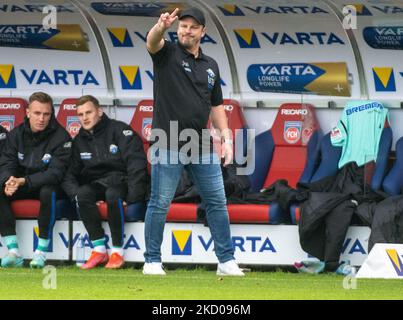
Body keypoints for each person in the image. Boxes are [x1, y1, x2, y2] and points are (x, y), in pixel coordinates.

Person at [143, 7, 244, 276]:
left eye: (192, 27)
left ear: (202, 32)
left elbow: (217, 105)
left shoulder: (211, 65)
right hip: (167, 140)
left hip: (200, 143)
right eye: (183, 26)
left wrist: (227, 137)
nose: (186, 30)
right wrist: (160, 27)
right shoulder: (167, 53)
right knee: (160, 202)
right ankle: (152, 260)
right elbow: (152, 42)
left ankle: (226, 260)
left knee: (217, 202)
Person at [62, 95, 149, 269]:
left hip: (122, 182)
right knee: (83, 193)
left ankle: (117, 252)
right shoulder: (79, 140)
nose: (85, 118)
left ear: (99, 111)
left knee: (113, 193)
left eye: (89, 112)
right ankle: (99, 250)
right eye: (80, 115)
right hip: (97, 184)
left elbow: (137, 165)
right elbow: (68, 174)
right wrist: (76, 196)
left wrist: (132, 197)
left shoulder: (120, 130)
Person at [0, 92, 72, 268]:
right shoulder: (15, 134)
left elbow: (55, 173)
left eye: (46, 114)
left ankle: (41, 253)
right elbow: (6, 162)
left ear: (51, 114)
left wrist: (22, 181)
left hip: (49, 185)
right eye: (37, 113)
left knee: (48, 190)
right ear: (27, 112)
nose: (41, 118)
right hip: (22, 182)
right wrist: (8, 181)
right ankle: (13, 251)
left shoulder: (62, 137)